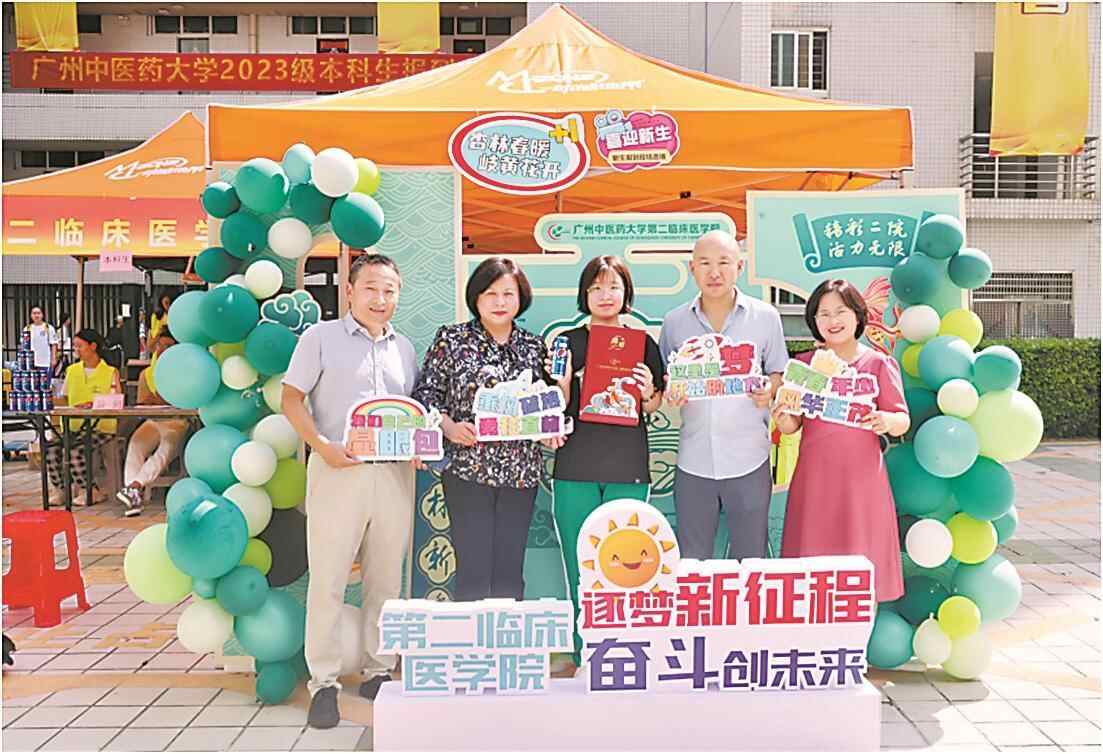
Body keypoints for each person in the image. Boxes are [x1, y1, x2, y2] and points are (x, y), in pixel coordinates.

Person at [282, 254, 419, 728]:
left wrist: (418, 444)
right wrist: (321, 446)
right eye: (371, 289)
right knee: (329, 580)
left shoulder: (405, 348)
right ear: (349, 291)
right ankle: (323, 682)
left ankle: (379, 670)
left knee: (386, 577)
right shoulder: (320, 338)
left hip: (394, 475)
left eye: (389, 291)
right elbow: (290, 399)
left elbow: (410, 413)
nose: (381, 299)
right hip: (337, 470)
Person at [544, 255, 665, 663]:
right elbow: (554, 406)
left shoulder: (643, 343)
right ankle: (585, 653)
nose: (605, 295)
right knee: (579, 563)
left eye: (613, 286)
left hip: (627, 469)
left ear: (626, 293)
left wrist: (647, 392)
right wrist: (564, 384)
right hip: (575, 468)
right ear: (584, 295)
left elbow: (654, 404)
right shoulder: (565, 342)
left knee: (626, 564)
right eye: (596, 288)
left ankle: (622, 653)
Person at [412, 257, 549, 604]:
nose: (500, 302)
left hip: (520, 473)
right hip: (467, 471)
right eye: (490, 293)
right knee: (472, 570)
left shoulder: (534, 347)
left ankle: (508, 638)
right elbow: (426, 394)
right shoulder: (452, 338)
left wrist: (549, 425)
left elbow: (546, 404)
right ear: (476, 297)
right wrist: (448, 427)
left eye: (508, 293)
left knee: (509, 570)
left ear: (521, 297)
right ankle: (471, 639)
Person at [774, 279, 910, 602]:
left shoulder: (877, 364)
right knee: (812, 565)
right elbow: (793, 424)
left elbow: (902, 419)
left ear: (857, 315)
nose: (833, 321)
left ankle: (860, 629)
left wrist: (886, 420)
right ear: (814, 320)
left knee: (861, 561)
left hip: (861, 481)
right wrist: (783, 418)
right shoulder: (803, 366)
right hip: (815, 479)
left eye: (840, 311)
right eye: (823, 314)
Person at [658, 230, 788, 560]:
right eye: (704, 263)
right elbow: (667, 379)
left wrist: (769, 389)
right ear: (692, 268)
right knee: (692, 561)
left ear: (739, 267)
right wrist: (673, 392)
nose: (714, 272)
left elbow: (779, 372)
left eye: (724, 262)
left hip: (749, 457)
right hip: (693, 459)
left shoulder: (765, 317)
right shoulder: (674, 322)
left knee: (751, 558)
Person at [116, 328, 189, 517]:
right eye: (159, 345)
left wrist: (161, 400)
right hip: (153, 420)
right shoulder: (146, 374)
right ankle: (132, 494)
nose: (162, 350)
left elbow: (186, 402)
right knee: (136, 443)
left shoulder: (186, 372)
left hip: (177, 422)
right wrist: (153, 401)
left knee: (166, 447)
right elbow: (142, 403)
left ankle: (135, 486)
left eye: (168, 346)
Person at [45, 328, 122, 505]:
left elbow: (117, 399)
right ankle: (61, 489)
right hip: (73, 426)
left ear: (93, 346)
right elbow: (64, 399)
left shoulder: (110, 371)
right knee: (51, 449)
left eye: (79, 346)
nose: (76, 350)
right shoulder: (71, 371)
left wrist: (94, 404)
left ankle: (90, 490)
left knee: (75, 450)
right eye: (74, 346)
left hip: (101, 428)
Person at [25, 305, 59, 374]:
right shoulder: (27, 328)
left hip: (45, 362)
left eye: (38, 313)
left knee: (46, 381)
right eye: (34, 313)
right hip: (31, 363)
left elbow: (54, 344)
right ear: (31, 315)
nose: (36, 315)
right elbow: (24, 345)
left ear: (42, 315)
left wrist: (53, 359)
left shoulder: (49, 328)